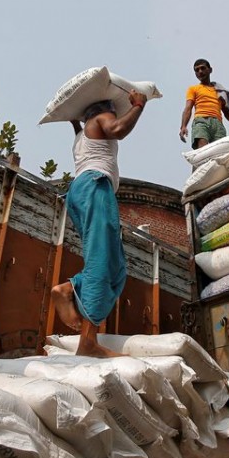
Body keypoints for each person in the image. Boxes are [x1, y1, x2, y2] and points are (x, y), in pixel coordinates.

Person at [50, 92, 147, 357]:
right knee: (103, 261)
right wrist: (138, 105)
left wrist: (72, 117)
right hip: (95, 187)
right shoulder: (103, 117)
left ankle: (69, 292)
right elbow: (118, 129)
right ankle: (88, 342)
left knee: (114, 266)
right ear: (104, 108)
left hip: (80, 192)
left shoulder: (81, 134)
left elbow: (80, 126)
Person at [179, 59, 229, 149]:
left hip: (217, 124)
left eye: (203, 68)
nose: (200, 71)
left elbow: (227, 112)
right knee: (202, 148)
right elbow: (188, 108)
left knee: (221, 151)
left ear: (210, 70)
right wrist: (183, 126)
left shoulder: (219, 90)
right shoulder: (193, 89)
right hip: (201, 121)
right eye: (197, 70)